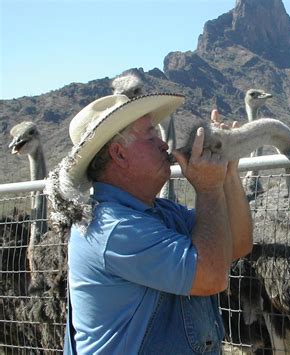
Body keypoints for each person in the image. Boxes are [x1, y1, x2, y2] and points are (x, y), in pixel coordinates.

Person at [54, 92, 253, 354]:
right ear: (119, 155)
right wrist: (208, 187)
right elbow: (211, 277)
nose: (163, 144)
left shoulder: (161, 213)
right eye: (150, 136)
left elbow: (237, 244)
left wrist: (227, 171)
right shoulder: (112, 228)